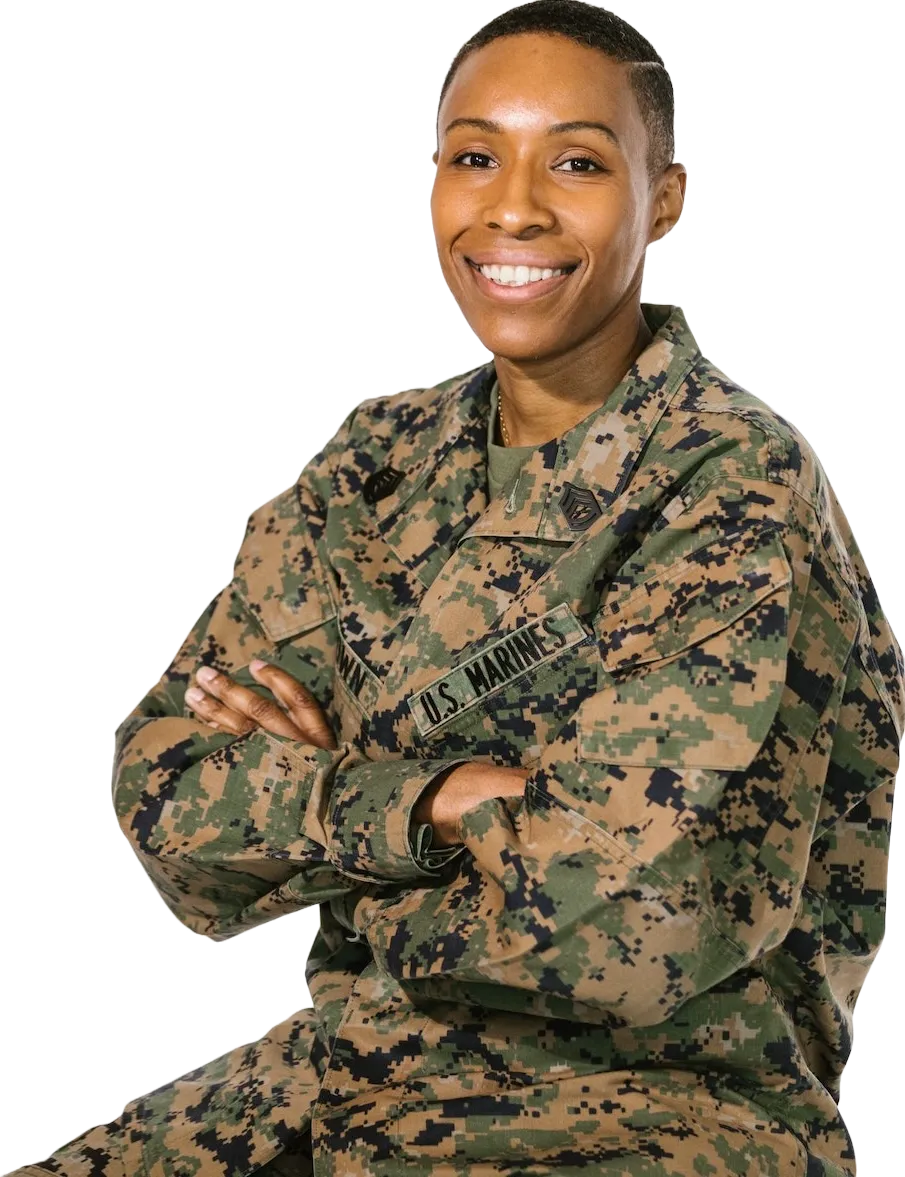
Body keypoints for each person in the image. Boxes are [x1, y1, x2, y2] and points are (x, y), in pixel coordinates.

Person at [14, 2, 902, 1175]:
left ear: (666, 201)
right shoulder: (376, 465)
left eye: (576, 163)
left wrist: (316, 804)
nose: (514, 205)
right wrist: (441, 803)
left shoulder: (728, 489)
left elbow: (627, 933)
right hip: (337, 1076)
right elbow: (167, 799)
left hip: (650, 1115)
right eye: (473, 156)